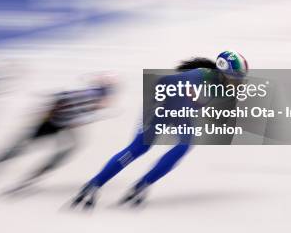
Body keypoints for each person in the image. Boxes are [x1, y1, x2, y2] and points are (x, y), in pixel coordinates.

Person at [71, 51, 248, 208]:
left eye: (240, 79)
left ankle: (142, 185)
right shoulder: (198, 76)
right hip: (160, 106)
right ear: (222, 73)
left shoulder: (223, 86)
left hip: (179, 109)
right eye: (235, 78)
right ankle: (94, 184)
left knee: (184, 146)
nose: (238, 83)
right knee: (139, 148)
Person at [0, 75, 116, 195]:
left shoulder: (93, 97)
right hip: (52, 123)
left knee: (68, 147)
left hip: (60, 122)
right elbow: (61, 99)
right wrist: (47, 115)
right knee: (19, 150)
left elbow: (67, 103)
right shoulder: (91, 95)